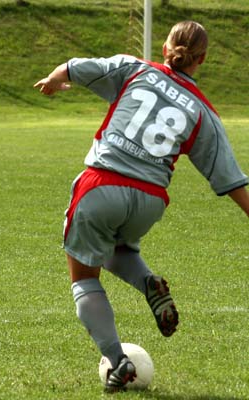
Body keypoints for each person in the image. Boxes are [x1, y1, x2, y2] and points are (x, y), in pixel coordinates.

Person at [34, 21, 249, 392]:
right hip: (150, 200)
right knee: (115, 247)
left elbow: (75, 67)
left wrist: (54, 80)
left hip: (102, 185)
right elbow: (230, 179)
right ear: (202, 60)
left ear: (165, 48)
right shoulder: (203, 113)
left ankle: (118, 362)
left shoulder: (134, 68)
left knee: (84, 277)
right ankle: (147, 282)